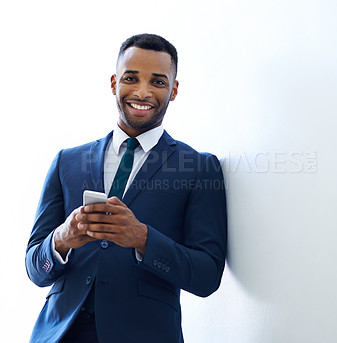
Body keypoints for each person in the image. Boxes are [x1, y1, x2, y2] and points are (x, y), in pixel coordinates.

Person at [25, 33, 227, 343]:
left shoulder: (199, 167)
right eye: (131, 78)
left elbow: (207, 275)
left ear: (173, 91)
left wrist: (143, 239)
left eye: (158, 82)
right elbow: (34, 268)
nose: (143, 92)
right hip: (59, 334)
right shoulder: (67, 161)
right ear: (113, 83)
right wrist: (62, 239)